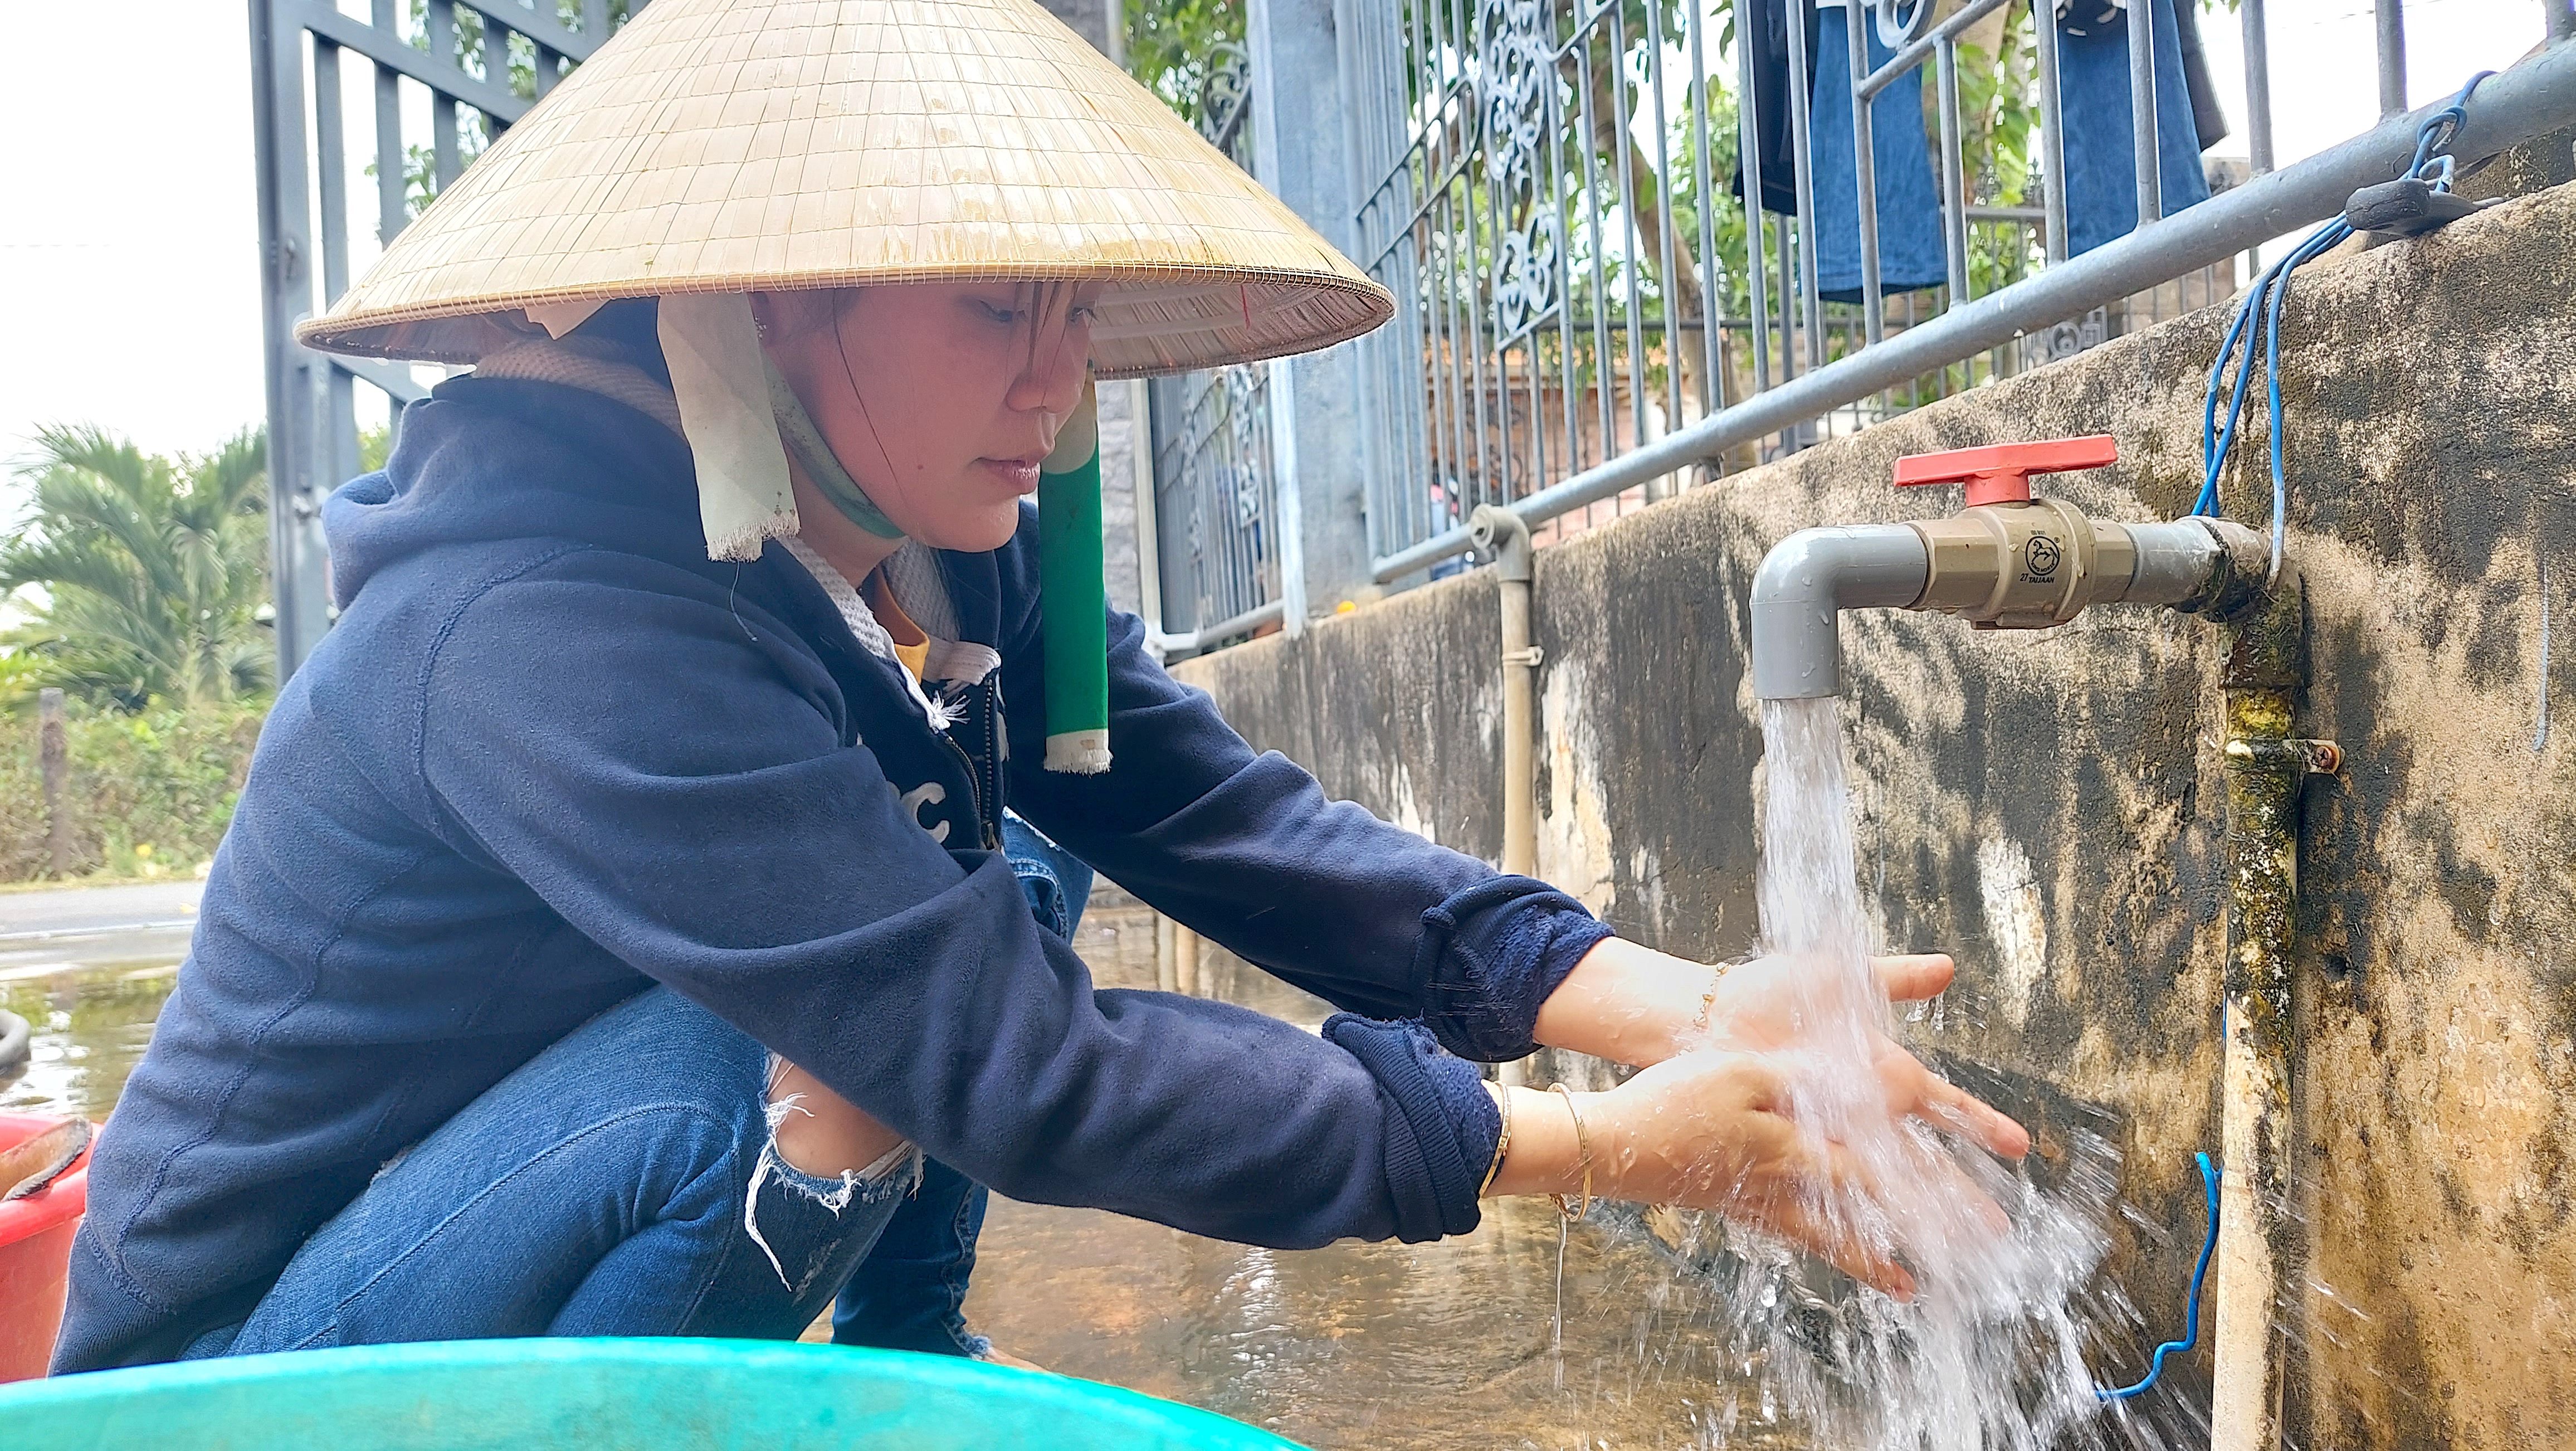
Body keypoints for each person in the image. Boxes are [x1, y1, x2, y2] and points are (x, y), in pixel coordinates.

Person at [53, 0, 2025, 1374]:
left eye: (1073, 314)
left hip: (495, 1186)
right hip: (247, 1362)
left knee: (1012, 868)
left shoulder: (914, 526)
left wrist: (1674, 999)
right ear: (777, 298)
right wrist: (1592, 1144)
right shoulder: (533, 629)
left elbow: (1211, 813)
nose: (1058, 389)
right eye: (1000, 309)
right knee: (781, 1074)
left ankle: (908, 1361)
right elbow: (1022, 1061)